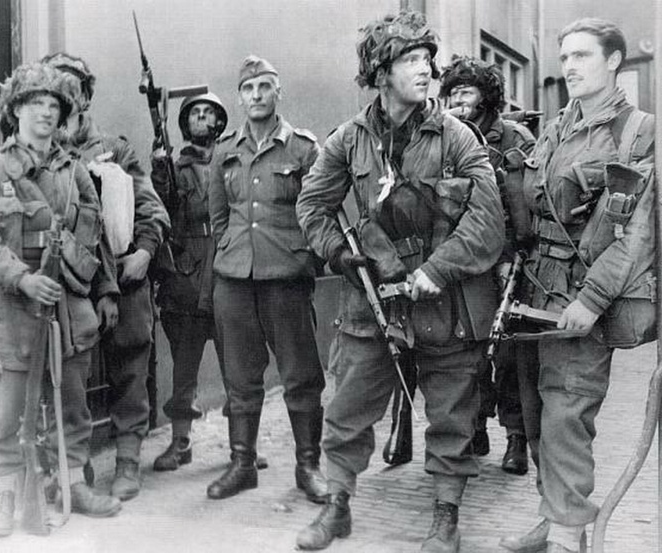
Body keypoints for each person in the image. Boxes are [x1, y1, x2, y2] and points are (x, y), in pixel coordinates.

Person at [295, 11, 505, 552]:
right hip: (373, 301)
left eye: (426, 59)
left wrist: (438, 269)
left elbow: (488, 221)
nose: (426, 70)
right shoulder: (348, 140)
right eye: (411, 60)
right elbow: (313, 207)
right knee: (345, 409)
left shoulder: (457, 136)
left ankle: (445, 519)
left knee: (452, 414)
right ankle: (338, 507)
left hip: (445, 302)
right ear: (380, 72)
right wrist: (341, 255)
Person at [499, 18, 656, 553]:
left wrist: (591, 300)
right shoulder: (556, 127)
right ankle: (554, 516)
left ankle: (567, 537)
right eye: (564, 56)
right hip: (535, 292)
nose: (569, 66)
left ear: (614, 61)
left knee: (568, 413)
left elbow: (635, 233)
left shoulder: (637, 131)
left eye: (583, 56)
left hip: (583, 294)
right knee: (536, 411)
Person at [0, 62, 123, 537]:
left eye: (55, 106)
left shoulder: (77, 174)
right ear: (15, 110)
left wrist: (102, 288)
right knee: (7, 413)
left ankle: (73, 485)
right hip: (12, 311)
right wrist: (21, 279)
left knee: (73, 406)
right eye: (36, 104)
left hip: (69, 311)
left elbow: (98, 239)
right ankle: (5, 497)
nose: (46, 114)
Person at [42, 52, 170, 501]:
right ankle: (73, 471)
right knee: (66, 376)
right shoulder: (42, 153)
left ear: (87, 95)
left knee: (130, 367)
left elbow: (151, 207)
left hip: (123, 273)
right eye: (55, 84)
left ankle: (129, 460)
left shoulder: (115, 148)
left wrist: (145, 252)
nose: (65, 93)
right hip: (69, 284)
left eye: (73, 84)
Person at [206, 55, 327, 504]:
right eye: (248, 88)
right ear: (240, 97)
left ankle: (308, 466)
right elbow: (219, 218)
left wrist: (302, 261)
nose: (255, 96)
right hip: (234, 280)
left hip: (286, 279)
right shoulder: (224, 150)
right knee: (240, 378)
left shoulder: (302, 148)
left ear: (279, 92)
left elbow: (318, 212)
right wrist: (234, 256)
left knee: (300, 377)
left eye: (263, 87)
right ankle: (242, 464)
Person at [439, 56, 537, 476]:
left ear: (487, 94)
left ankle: (516, 438)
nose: (460, 99)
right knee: (470, 349)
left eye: (468, 90)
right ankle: (474, 427)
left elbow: (532, 201)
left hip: (513, 261)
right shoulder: (445, 137)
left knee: (512, 355)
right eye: (454, 91)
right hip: (467, 260)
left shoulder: (516, 138)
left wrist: (518, 254)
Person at [149, 92, 228, 471]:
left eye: (207, 113)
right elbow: (162, 206)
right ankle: (180, 442)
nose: (201, 118)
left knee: (238, 363)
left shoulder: (233, 159)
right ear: (185, 125)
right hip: (187, 271)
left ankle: (242, 446)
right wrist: (159, 167)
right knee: (184, 364)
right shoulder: (175, 167)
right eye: (194, 113)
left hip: (227, 265)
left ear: (218, 122)